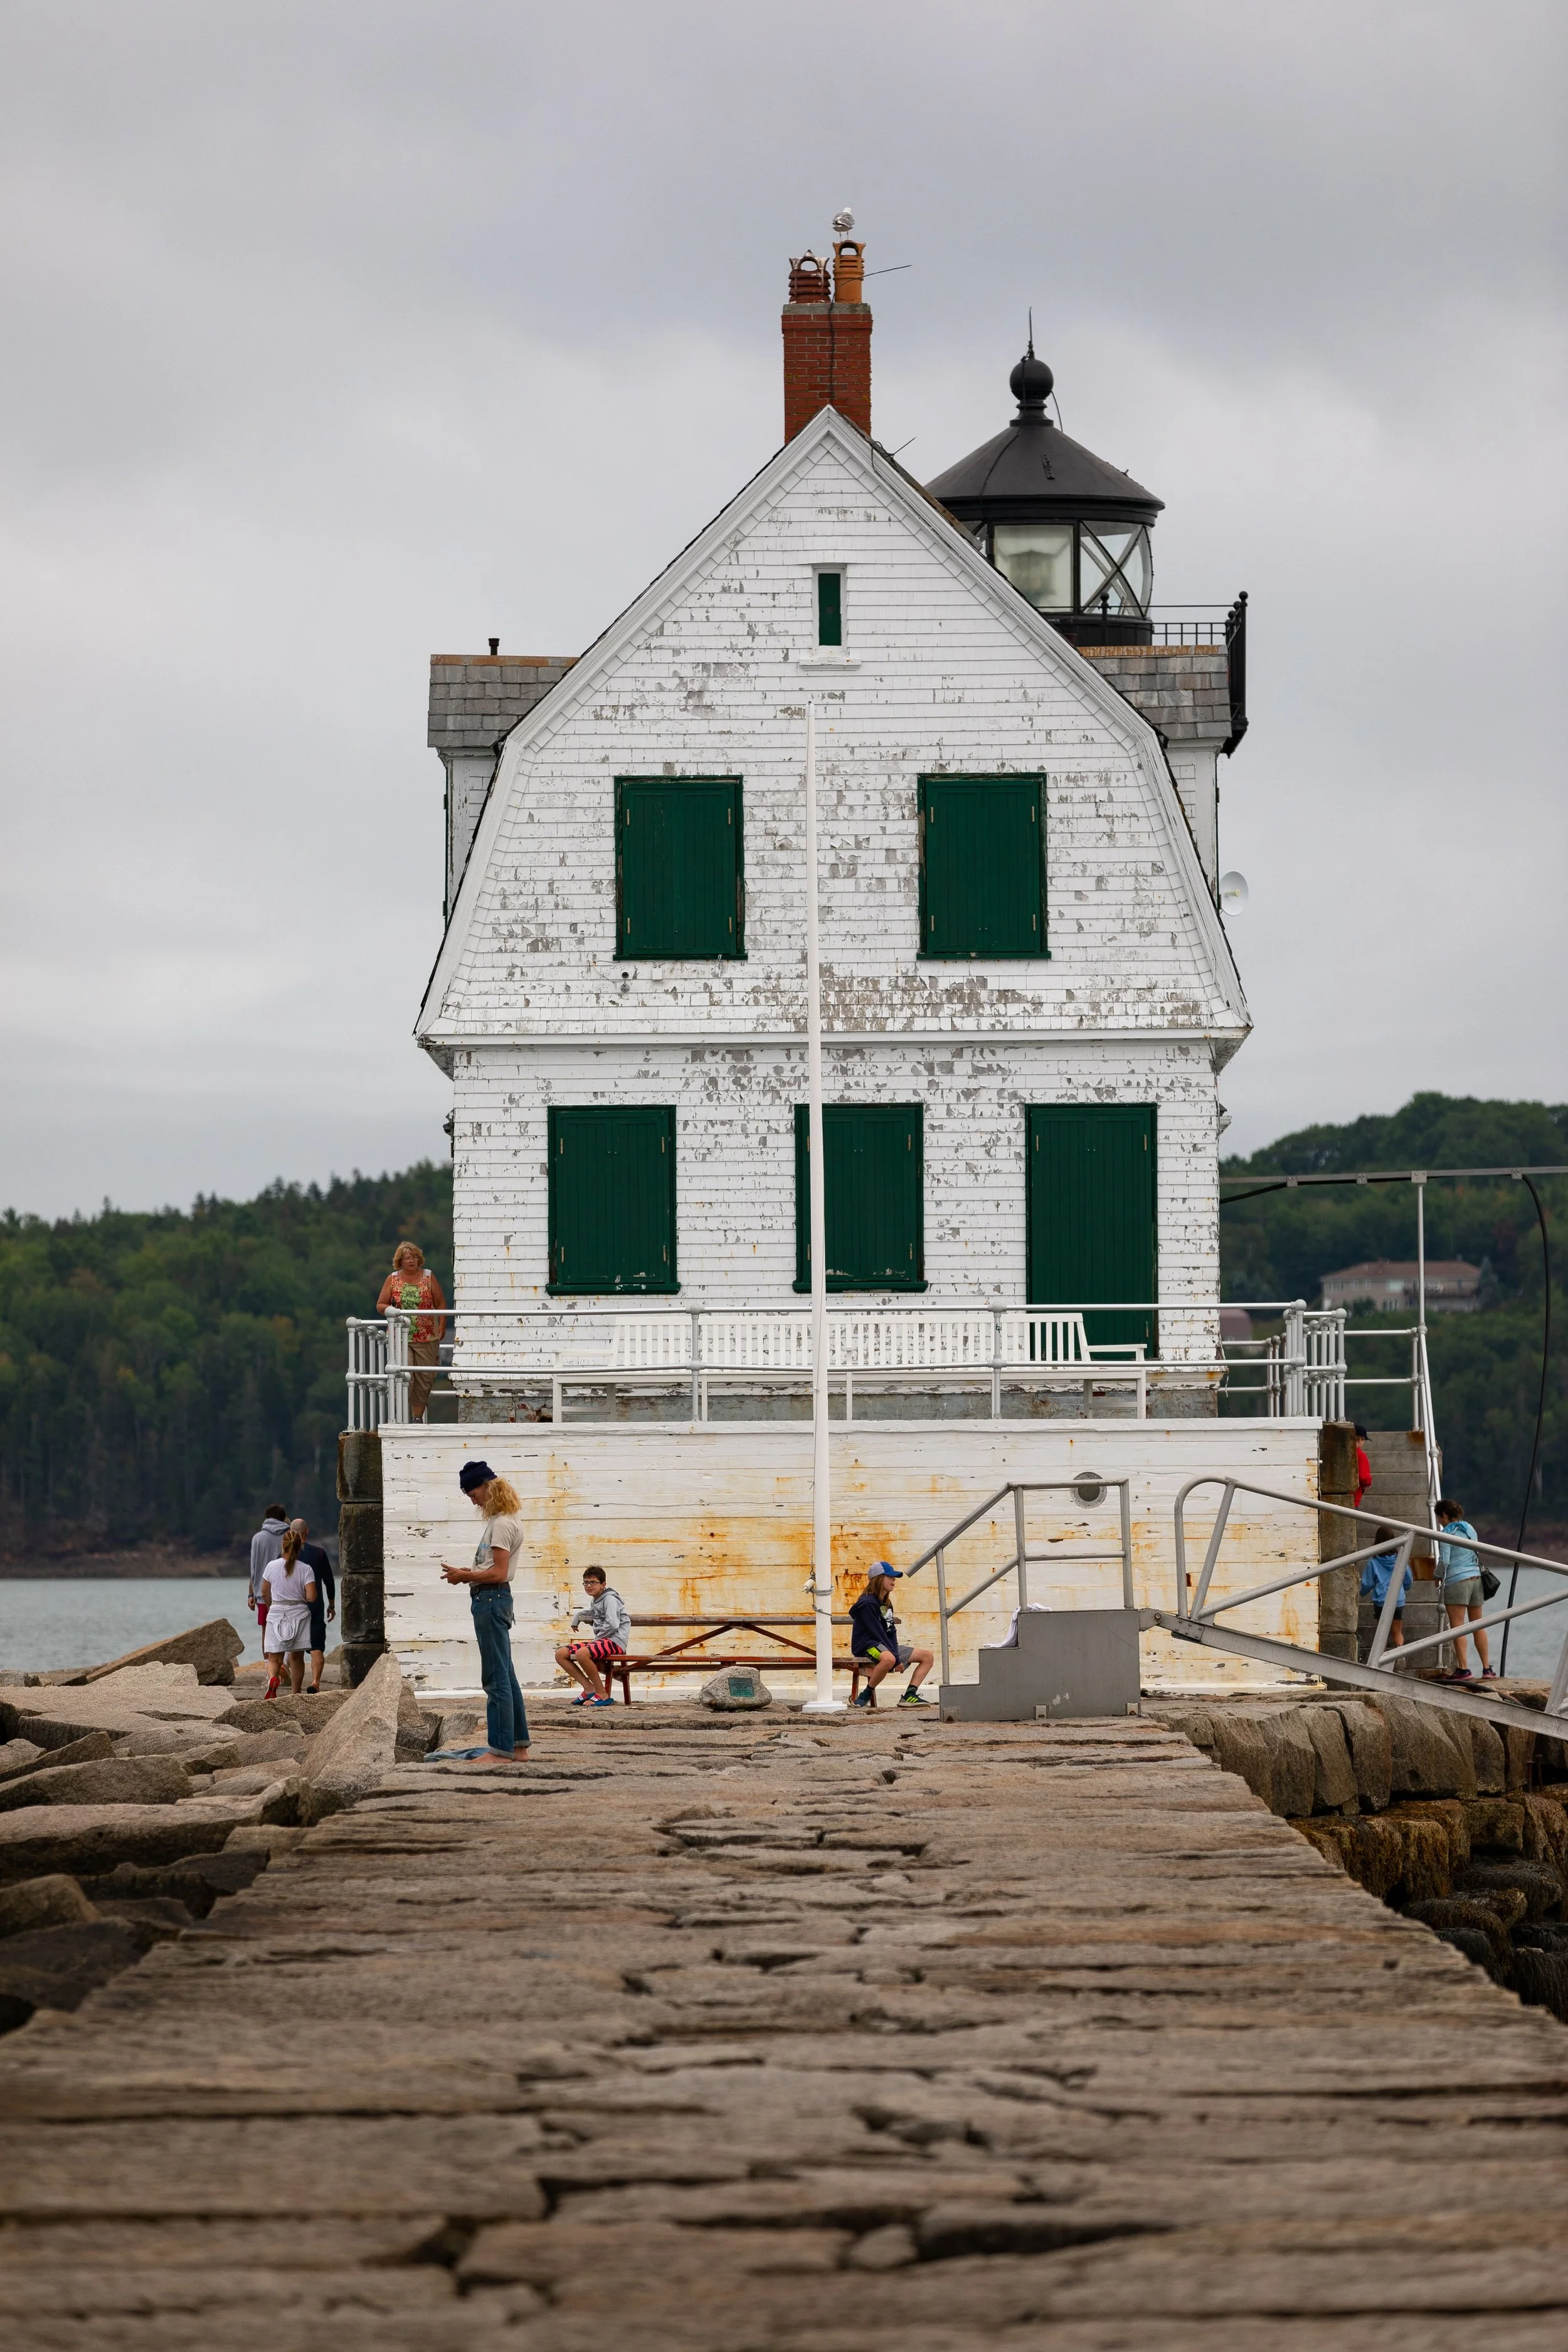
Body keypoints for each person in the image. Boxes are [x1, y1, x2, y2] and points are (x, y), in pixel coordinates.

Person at [440, 1461, 530, 1762]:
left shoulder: (502, 1524)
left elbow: (499, 1574)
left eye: (473, 1493)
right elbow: (492, 1569)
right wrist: (469, 1570)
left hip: (491, 1600)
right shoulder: (506, 1520)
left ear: (487, 1486)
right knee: (507, 1676)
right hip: (496, 1599)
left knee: (495, 1679)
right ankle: (518, 1747)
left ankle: (501, 1751)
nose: (473, 1500)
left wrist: (466, 1576)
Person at [376, 1242, 448, 1422]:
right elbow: (380, 1304)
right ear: (400, 1261)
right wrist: (391, 1311)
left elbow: (440, 1302)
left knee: (425, 1378)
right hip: (401, 1336)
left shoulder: (429, 1276)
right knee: (405, 1376)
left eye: (414, 1257)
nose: (412, 1261)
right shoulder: (392, 1279)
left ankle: (417, 1418)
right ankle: (399, 1418)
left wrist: (442, 1325)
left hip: (427, 1336)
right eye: (407, 1258)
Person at [849, 1563, 934, 1708]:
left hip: (884, 1645)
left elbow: (890, 1631)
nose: (894, 1580)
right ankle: (865, 1695)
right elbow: (876, 1632)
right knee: (889, 1659)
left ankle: (909, 1695)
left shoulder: (886, 1604)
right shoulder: (867, 1604)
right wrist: (895, 1658)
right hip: (867, 1645)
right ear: (878, 1579)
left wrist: (895, 1652)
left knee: (927, 1657)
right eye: (890, 1577)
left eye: (895, 1577)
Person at [1436, 1497, 1494, 1682]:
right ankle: (1487, 1669)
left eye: (1439, 1517)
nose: (1439, 1521)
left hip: (1457, 1582)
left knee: (1458, 1627)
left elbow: (1445, 1561)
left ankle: (1463, 1669)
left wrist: (1437, 1575)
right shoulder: (1470, 1529)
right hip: (1476, 1580)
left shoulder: (1446, 1533)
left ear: (1444, 1515)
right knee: (1478, 1625)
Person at [556, 1569, 632, 1707]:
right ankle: (589, 1688)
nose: (589, 1586)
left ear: (603, 1584)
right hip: (603, 1640)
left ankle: (602, 1693)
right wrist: (577, 1618)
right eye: (586, 1583)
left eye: (593, 1583)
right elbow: (590, 1613)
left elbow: (613, 1625)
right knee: (561, 1654)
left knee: (582, 1654)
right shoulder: (596, 1600)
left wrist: (596, 1640)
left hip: (616, 1641)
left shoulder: (610, 1599)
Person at [260, 1527, 317, 1699]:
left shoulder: (271, 1566)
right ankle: (296, 1693)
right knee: (297, 1658)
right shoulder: (306, 1569)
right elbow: (312, 1597)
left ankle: (272, 1679)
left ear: (282, 1546)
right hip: (299, 1613)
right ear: (300, 1547)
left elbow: (264, 1592)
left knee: (274, 1658)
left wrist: (272, 1606)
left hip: (277, 1612)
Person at [291, 1518, 336, 1694]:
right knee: (316, 1647)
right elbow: (329, 1580)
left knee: (296, 1652)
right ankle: (316, 1681)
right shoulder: (319, 1553)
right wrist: (331, 1605)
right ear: (307, 1533)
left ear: (290, 1533)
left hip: (294, 1608)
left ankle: (296, 1691)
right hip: (315, 1606)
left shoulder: (285, 1555)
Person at [1359, 1525, 1411, 1654]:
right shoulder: (1401, 1559)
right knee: (1397, 1632)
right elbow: (1408, 1580)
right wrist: (1405, 1588)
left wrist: (1361, 1592)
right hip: (1398, 1600)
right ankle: (1399, 1654)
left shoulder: (1373, 1562)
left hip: (1381, 1602)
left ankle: (1381, 1659)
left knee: (1382, 1634)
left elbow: (1367, 1583)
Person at [248, 1503, 290, 1656]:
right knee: (287, 1631)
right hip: (286, 1592)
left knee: (266, 1631)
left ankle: (269, 1670)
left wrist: (251, 1594)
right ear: (284, 1518)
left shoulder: (258, 1538)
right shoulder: (289, 1536)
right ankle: (285, 1666)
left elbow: (254, 1568)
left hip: (261, 1592)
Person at [1353, 1426, 1372, 1512]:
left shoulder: (1346, 1453)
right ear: (1360, 1439)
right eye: (1364, 1440)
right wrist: (1368, 1483)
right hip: (1354, 1496)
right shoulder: (1361, 1455)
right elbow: (1363, 1477)